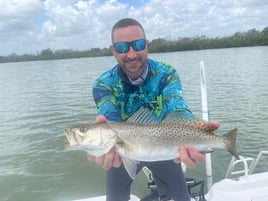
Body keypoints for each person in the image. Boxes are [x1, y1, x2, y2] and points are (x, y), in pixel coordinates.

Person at [87, 18, 220, 201]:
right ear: (113, 50)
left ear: (147, 45)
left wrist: (194, 127)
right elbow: (109, 123)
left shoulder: (166, 73)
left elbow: (177, 108)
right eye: (123, 48)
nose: (132, 54)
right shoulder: (103, 84)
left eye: (138, 45)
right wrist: (99, 143)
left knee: (182, 198)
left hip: (161, 144)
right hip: (123, 151)